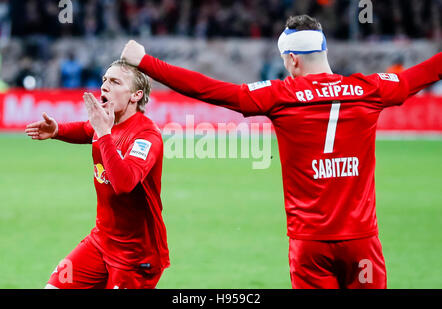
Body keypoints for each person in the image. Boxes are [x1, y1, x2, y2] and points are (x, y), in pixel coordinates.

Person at [120, 15, 442, 289]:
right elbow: (427, 72)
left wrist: (146, 62)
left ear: (292, 59)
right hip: (361, 242)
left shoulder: (281, 95)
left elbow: (209, 90)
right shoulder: (370, 89)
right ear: (324, 51)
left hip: (309, 246)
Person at [25, 60, 169, 289]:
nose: (104, 86)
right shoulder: (107, 124)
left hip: (136, 257)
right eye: (104, 80)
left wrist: (103, 132)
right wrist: (57, 130)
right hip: (101, 242)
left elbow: (124, 184)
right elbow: (86, 129)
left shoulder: (147, 135)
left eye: (114, 81)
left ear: (135, 95)